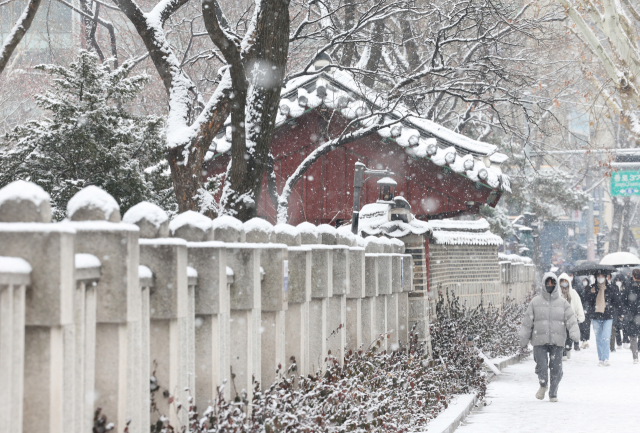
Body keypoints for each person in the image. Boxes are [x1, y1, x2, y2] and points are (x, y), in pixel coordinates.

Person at [519, 273, 580, 402]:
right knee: (541, 365)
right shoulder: (535, 302)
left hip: (557, 341)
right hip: (539, 340)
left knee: (556, 368)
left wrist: (574, 333)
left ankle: (553, 391)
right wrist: (523, 339)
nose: (550, 285)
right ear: (544, 284)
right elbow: (527, 322)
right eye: (548, 283)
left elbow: (571, 319)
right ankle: (543, 384)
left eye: (553, 283)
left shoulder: (563, 303)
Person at [583, 271, 624, 366]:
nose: (600, 278)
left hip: (608, 316)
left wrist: (621, 312)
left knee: (606, 337)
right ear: (595, 277)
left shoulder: (611, 288)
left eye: (602, 276)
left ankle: (606, 358)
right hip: (595, 315)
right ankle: (600, 358)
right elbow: (587, 301)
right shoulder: (591, 288)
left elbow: (617, 301)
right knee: (599, 338)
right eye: (598, 276)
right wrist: (591, 293)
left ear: (606, 277)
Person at [558, 273, 585, 360]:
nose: (564, 283)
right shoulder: (557, 293)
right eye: (562, 281)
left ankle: (568, 348)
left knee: (570, 336)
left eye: (566, 281)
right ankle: (562, 352)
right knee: (561, 335)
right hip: (560, 318)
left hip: (571, 317)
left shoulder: (573, 293)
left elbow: (578, 305)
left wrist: (580, 316)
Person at [625, 268, 640, 363]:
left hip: (632, 313)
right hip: (632, 314)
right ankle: (635, 355)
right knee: (633, 335)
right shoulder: (628, 286)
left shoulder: (628, 285)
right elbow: (624, 299)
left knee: (633, 335)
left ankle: (635, 355)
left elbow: (624, 299)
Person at [611, 274, 629, 352]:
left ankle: (625, 340)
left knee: (625, 326)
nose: (618, 282)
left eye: (619, 281)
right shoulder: (613, 288)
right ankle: (619, 342)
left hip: (625, 309)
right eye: (617, 280)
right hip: (616, 310)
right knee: (617, 326)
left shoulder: (626, 289)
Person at [579, 277, 592, 349]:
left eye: (585, 280)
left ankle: (585, 340)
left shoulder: (589, 289)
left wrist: (587, 308)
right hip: (581, 309)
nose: (584, 282)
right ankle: (583, 339)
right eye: (583, 280)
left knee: (586, 325)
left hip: (588, 310)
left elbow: (589, 300)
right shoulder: (580, 289)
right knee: (581, 325)